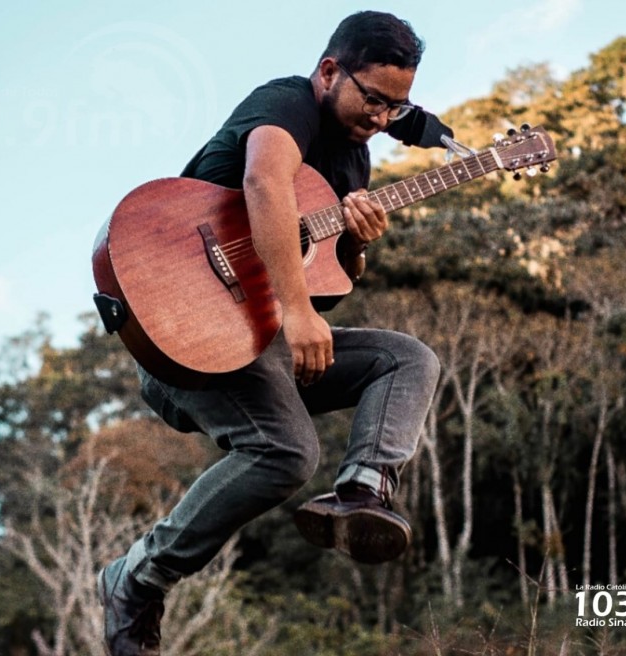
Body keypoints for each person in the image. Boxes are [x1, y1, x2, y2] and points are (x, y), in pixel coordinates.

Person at [98, 11, 451, 655]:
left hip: (253, 334)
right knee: (286, 452)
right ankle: (137, 577)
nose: (380, 116)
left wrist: (357, 245)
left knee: (408, 360)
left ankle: (362, 492)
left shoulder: (353, 164)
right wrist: (296, 311)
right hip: (184, 324)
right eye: (372, 97)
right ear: (329, 71)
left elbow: (329, 276)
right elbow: (265, 181)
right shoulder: (287, 102)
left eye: (396, 108)